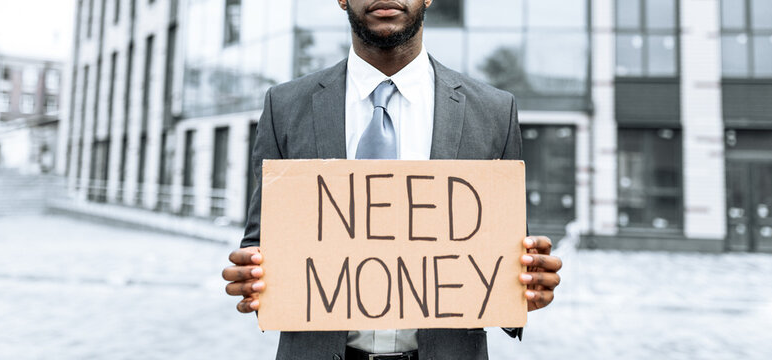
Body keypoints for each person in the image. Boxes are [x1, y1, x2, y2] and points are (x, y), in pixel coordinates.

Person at [222, 0, 562, 359]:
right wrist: (253, 276)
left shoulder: (494, 111)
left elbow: (504, 256)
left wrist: (526, 287)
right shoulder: (285, 107)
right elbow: (261, 240)